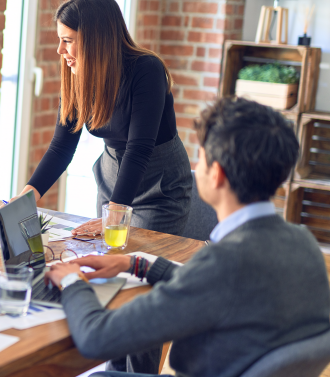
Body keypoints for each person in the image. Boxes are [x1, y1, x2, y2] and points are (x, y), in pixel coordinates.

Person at [45, 97, 330, 377]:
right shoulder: (303, 242)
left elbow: (97, 339)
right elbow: (218, 285)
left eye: (202, 158)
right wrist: (136, 264)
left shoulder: (222, 262)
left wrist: (71, 280)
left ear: (216, 175)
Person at [18, 0, 192, 238]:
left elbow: (138, 148)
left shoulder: (146, 70)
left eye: (67, 40)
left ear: (94, 40)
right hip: (112, 182)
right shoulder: (78, 75)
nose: (59, 50)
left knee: (136, 262)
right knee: (105, 257)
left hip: (159, 189)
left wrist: (115, 214)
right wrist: (25, 198)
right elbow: (61, 147)